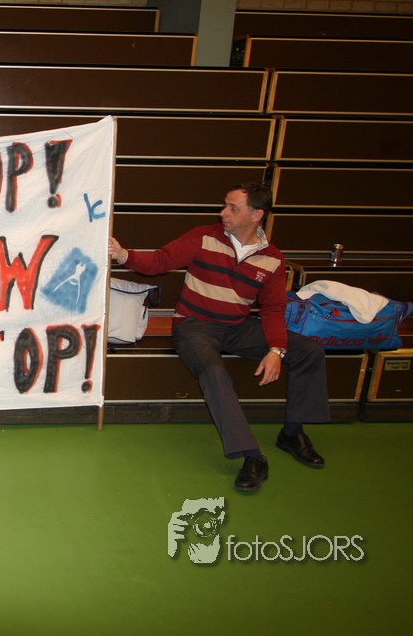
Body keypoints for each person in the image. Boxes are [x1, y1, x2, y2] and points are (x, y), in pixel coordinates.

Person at [108, 183, 330, 492]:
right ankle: (251, 456)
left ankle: (292, 433)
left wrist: (276, 350)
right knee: (214, 370)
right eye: (225, 205)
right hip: (194, 326)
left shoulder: (272, 259)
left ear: (256, 215)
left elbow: (273, 309)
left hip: (237, 327)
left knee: (308, 349)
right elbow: (160, 261)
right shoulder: (205, 237)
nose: (222, 213)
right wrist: (123, 255)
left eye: (232, 208)